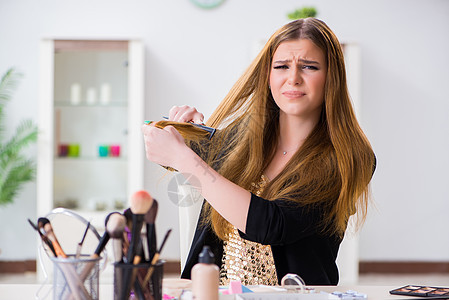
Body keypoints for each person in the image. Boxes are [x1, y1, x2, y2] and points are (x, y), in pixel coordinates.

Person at [141, 17, 376, 286]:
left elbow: (271, 225)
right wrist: (179, 130)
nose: (293, 78)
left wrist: (183, 158)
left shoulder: (348, 156)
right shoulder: (245, 138)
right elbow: (183, 155)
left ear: (331, 76)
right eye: (282, 66)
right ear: (268, 75)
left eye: (309, 67)